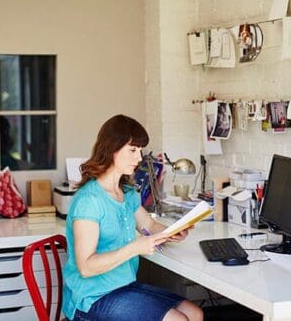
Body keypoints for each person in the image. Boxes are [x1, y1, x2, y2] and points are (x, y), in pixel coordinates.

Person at [63, 114, 203, 321]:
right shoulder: (90, 201)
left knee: (195, 313)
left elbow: (148, 224)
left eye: (140, 150)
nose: (139, 158)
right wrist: (135, 248)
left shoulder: (126, 192)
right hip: (92, 297)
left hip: (122, 286)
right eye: (133, 150)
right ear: (112, 149)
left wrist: (170, 232)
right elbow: (86, 267)